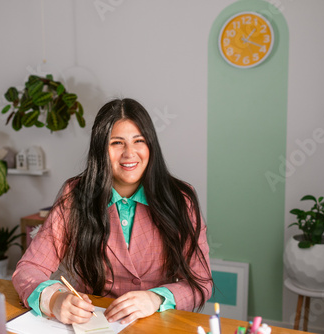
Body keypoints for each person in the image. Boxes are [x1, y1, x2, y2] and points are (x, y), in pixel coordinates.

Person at [12, 98, 213, 325]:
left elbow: (201, 282)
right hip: (93, 323)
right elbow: (29, 269)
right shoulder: (76, 194)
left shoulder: (180, 198)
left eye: (139, 141)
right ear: (100, 148)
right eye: (117, 143)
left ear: (151, 146)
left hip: (157, 323)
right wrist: (54, 300)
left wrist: (155, 298)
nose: (129, 153)